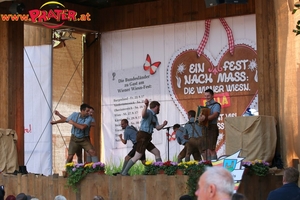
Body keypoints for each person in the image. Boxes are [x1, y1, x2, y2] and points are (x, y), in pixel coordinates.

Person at [121, 99, 168, 176]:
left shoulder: (155, 117)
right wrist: (146, 105)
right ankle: (124, 172)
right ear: (156, 107)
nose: (159, 109)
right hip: (143, 136)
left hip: (147, 138)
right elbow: (143, 114)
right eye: (159, 108)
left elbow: (158, 127)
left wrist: (163, 125)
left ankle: (160, 171)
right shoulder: (148, 112)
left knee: (157, 152)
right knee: (137, 156)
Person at [198, 89, 221, 160]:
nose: (206, 97)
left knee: (211, 149)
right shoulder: (205, 106)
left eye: (208, 96)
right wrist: (199, 119)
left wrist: (205, 118)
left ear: (212, 95)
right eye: (205, 96)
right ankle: (208, 166)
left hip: (212, 128)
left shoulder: (216, 105)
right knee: (206, 150)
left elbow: (215, 115)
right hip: (205, 128)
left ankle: (214, 166)